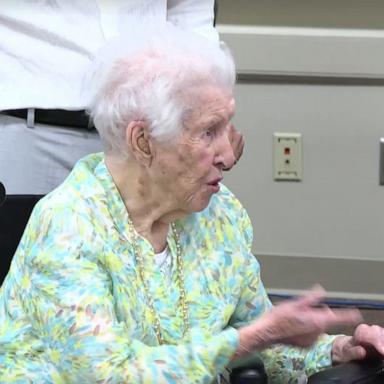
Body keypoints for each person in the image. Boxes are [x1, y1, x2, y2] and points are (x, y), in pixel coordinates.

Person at [0, 30, 383, 384]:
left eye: (227, 128)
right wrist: (249, 339)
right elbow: (111, 375)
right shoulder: (69, 228)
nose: (229, 154)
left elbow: (263, 342)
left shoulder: (220, 217)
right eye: (208, 132)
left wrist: (333, 350)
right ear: (143, 141)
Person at [0, 0, 243, 195]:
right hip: (28, 128)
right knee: (20, 247)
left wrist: (211, 116)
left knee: (155, 251)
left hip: (151, 134)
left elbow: (190, 13)